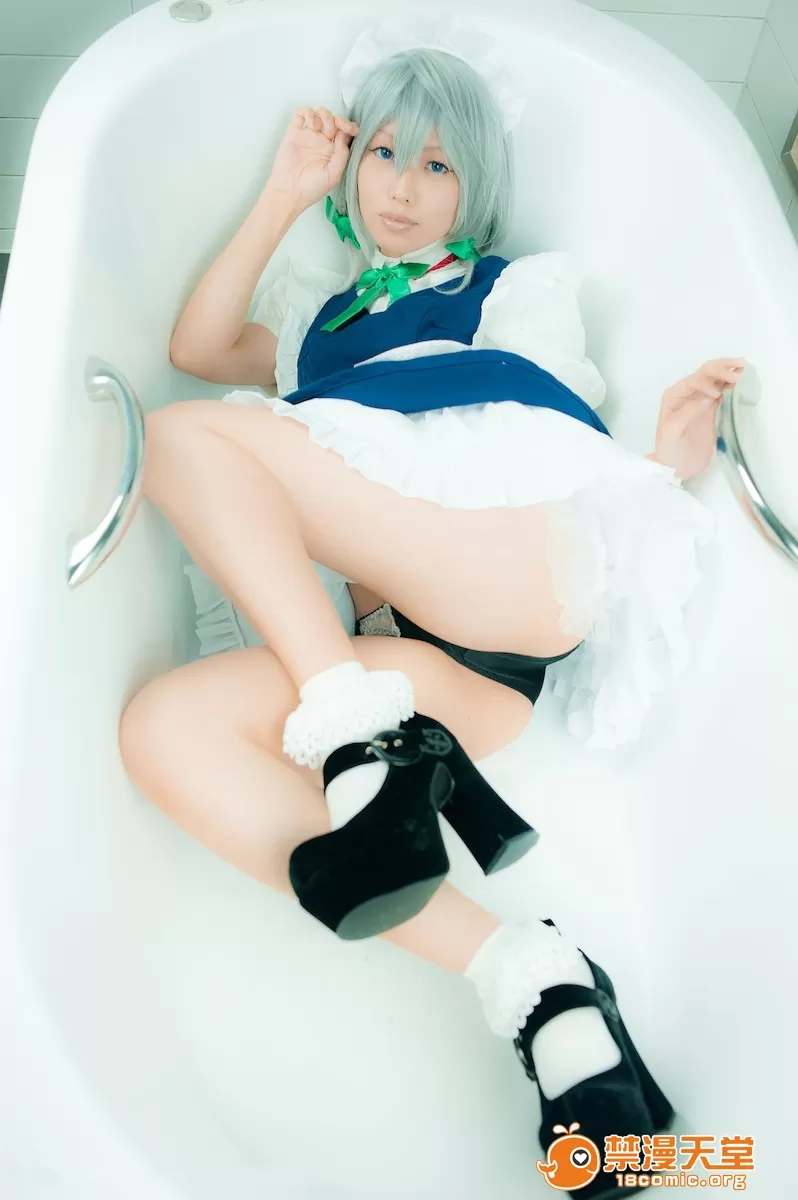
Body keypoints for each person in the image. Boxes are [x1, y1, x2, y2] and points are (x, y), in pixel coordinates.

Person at [119, 16, 743, 1194]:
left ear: (477, 188)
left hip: (512, 571)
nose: (403, 187)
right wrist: (284, 191)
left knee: (182, 442)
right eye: (383, 155)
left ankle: (354, 739)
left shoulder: (509, 290)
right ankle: (536, 981)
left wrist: (657, 471)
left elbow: (537, 438)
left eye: (438, 163)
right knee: (164, 730)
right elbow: (196, 342)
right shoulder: (318, 324)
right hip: (455, 685)